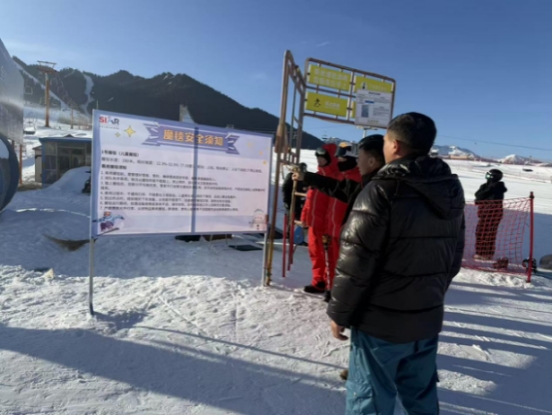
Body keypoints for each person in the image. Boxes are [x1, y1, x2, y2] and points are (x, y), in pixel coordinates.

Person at [327, 113, 465, 414]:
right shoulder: (450, 190)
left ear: (395, 145)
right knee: (421, 396)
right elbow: (454, 256)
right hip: (426, 318)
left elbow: (355, 262)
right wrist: (427, 295)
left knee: (371, 399)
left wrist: (339, 312)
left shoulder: (381, 189)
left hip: (380, 324)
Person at [293, 136, 384, 304]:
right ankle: (322, 283)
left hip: (341, 228)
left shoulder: (357, 179)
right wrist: (305, 215)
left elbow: (338, 194)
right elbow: (313, 199)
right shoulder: (335, 177)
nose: (321, 161)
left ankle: (334, 288)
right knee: (319, 255)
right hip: (324, 224)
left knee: (338, 262)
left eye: (342, 158)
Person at [301, 144, 340, 294]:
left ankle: (331, 285)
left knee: (329, 256)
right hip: (314, 224)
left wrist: (330, 224)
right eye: (318, 158)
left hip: (326, 226)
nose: (320, 160)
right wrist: (304, 216)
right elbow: (309, 200)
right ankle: (319, 282)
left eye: (323, 158)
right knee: (315, 254)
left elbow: (334, 205)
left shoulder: (335, 179)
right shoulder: (316, 177)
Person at [474, 169, 507, 260]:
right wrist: (487, 191)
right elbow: (478, 198)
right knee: (480, 233)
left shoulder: (499, 187)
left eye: (489, 176)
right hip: (483, 213)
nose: (487, 177)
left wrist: (486, 193)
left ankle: (486, 253)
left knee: (489, 233)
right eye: (487, 175)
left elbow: (493, 200)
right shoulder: (484, 186)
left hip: (493, 214)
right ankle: (480, 252)